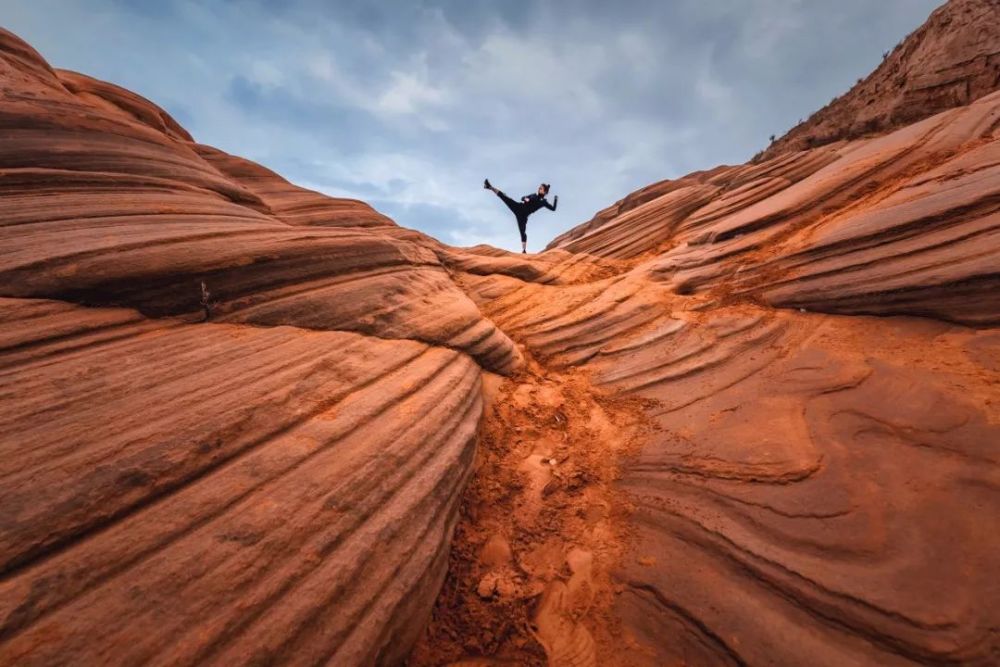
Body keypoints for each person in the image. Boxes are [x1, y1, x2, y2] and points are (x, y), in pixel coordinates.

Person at [484, 178, 557, 253]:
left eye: (541, 188)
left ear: (544, 191)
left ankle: (524, 250)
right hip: (518, 207)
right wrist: (525, 199)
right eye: (539, 187)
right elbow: (522, 197)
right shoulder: (533, 195)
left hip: (523, 216)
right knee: (504, 197)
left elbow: (553, 208)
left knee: (522, 233)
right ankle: (489, 187)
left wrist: (555, 199)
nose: (539, 188)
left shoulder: (544, 202)